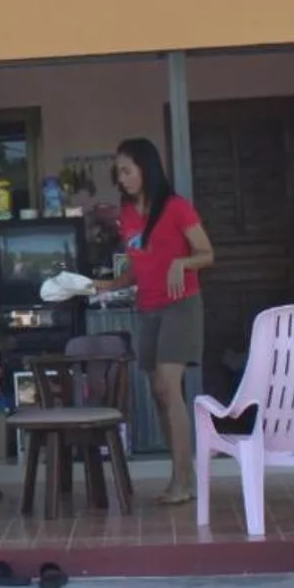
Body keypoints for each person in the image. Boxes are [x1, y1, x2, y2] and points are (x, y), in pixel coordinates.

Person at [89, 137, 214, 505]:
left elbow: (206, 253)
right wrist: (108, 285)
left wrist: (183, 263)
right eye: (119, 172)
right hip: (148, 307)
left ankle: (182, 480)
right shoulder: (127, 214)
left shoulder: (176, 207)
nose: (122, 178)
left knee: (167, 385)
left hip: (181, 306)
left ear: (146, 168)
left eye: (127, 170)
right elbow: (136, 267)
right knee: (159, 393)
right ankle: (183, 473)